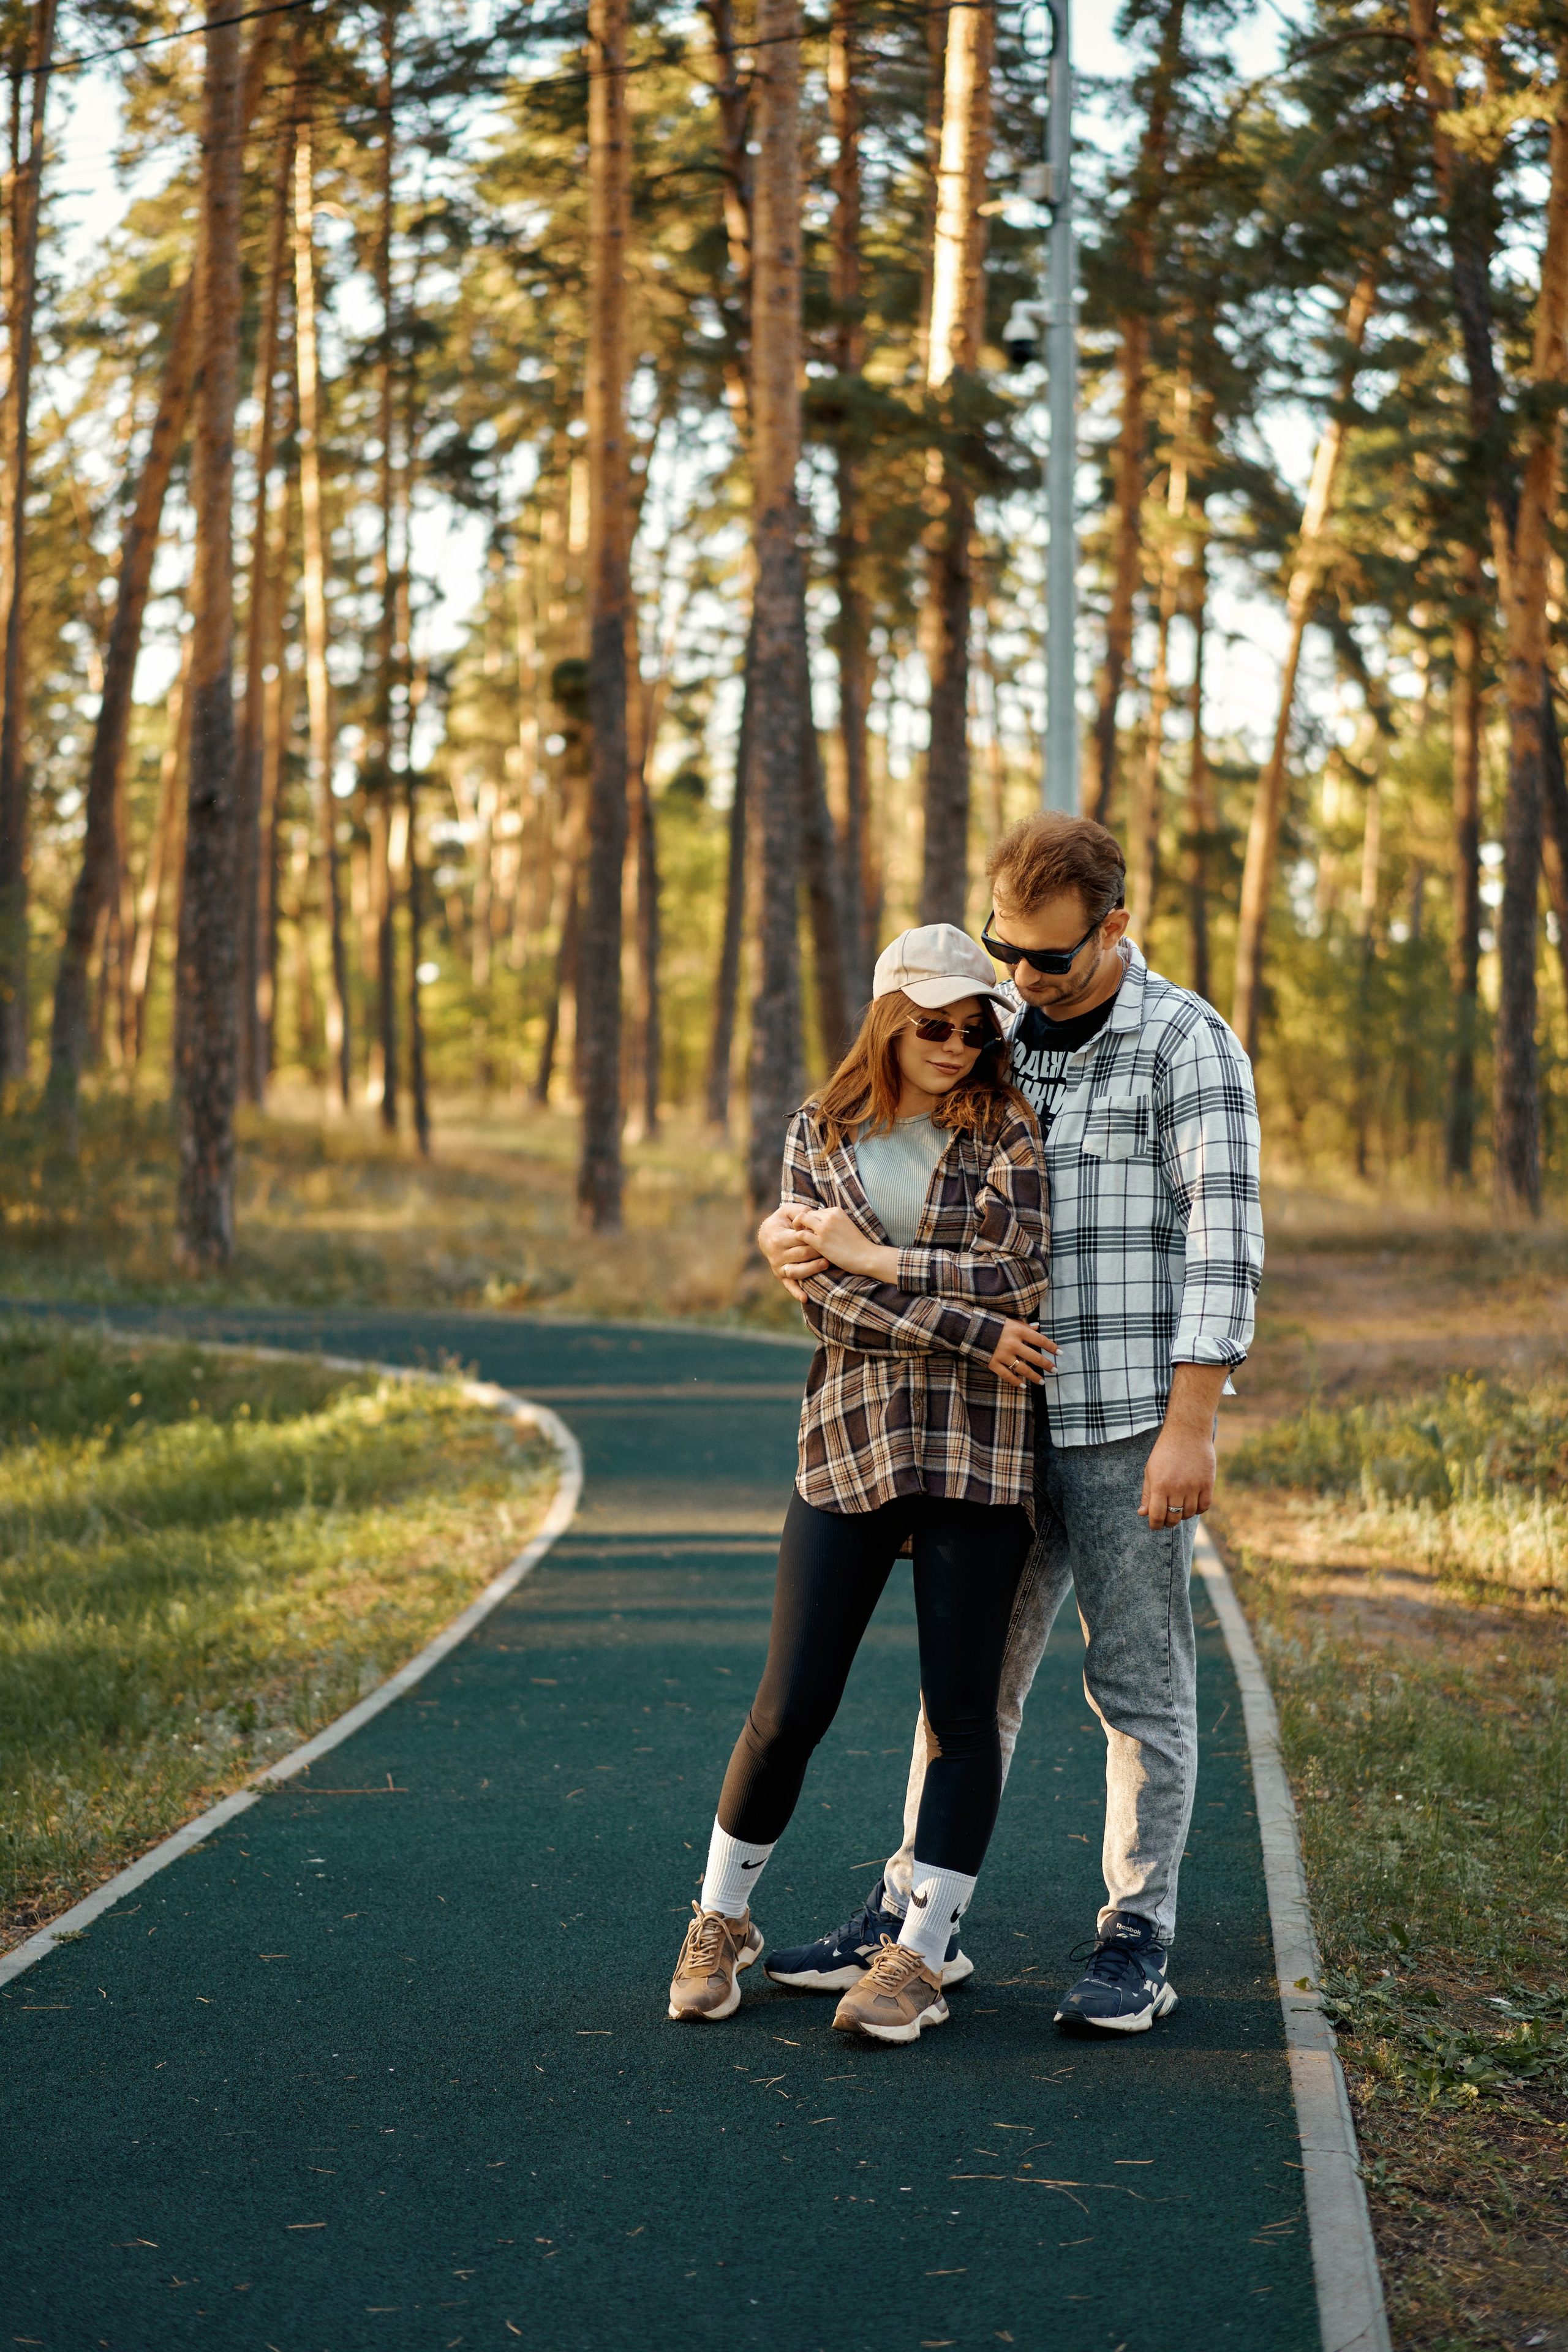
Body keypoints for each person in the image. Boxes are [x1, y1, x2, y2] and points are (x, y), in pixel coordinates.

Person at [759, 813, 1264, 2034]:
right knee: (962, 1691)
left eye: (1049, 959)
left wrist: (1189, 1426)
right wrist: (801, 1237)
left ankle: (1133, 1935)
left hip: (1123, 1420)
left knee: (1133, 1682)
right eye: (1004, 953)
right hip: (979, 1425)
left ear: (1113, 927)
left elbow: (1224, 1242)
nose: (1021, 982)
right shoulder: (991, 1039)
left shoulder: (1184, 1045)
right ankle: (912, 1928)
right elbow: (887, 1167)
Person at [668, 924, 1050, 2046]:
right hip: (846, 1443)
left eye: (975, 1031)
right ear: (888, 1017)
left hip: (978, 1457)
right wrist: (973, 1335)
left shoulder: (1010, 1132)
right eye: (932, 1026)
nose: (954, 1048)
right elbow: (817, 1303)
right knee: (789, 1707)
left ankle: (919, 1955)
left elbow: (1022, 1276)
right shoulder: (817, 1133)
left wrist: (880, 1262)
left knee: (961, 1714)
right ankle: (719, 1921)